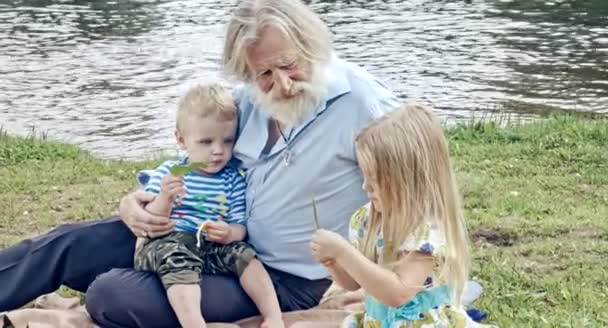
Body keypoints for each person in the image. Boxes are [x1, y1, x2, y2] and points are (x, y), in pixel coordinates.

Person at [0, 0, 397, 326]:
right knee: (68, 244)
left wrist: (386, 272)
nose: (283, 83)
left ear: (312, 46)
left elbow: (414, 184)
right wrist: (134, 200)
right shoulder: (248, 102)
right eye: (264, 73)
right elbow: (200, 150)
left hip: (278, 278)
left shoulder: (364, 104)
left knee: (112, 294)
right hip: (195, 235)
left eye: (290, 64)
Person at [306, 103, 496, 327]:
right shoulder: (367, 219)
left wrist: (344, 252)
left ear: (407, 181)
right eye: (364, 176)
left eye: (375, 180)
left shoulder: (427, 229)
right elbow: (354, 283)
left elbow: (398, 293)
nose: (366, 187)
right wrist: (334, 262)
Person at [133, 83, 283, 328]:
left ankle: (273, 316)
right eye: (205, 142)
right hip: (167, 242)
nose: (217, 151)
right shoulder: (169, 173)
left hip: (210, 244)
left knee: (245, 256)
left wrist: (229, 234)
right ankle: (193, 323)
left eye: (227, 141)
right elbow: (149, 220)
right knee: (178, 256)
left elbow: (240, 227)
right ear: (181, 140)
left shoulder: (233, 179)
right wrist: (164, 199)